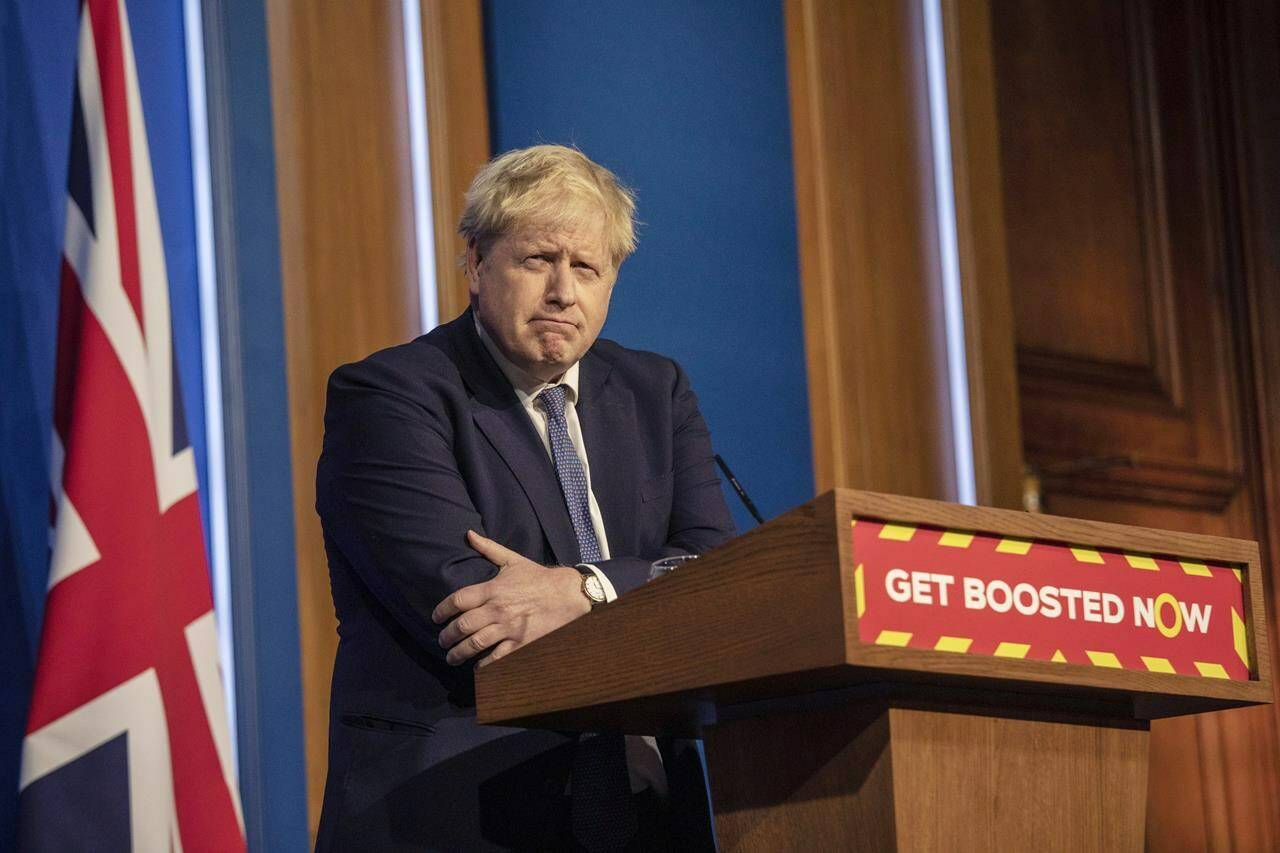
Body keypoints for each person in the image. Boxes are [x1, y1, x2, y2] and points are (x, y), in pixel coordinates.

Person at [314, 144, 736, 851]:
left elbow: (719, 572)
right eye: (539, 259)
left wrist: (588, 588)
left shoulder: (654, 391)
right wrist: (663, 588)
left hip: (647, 813)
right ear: (476, 263)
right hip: (461, 807)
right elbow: (477, 616)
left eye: (587, 268)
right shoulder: (390, 396)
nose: (563, 291)